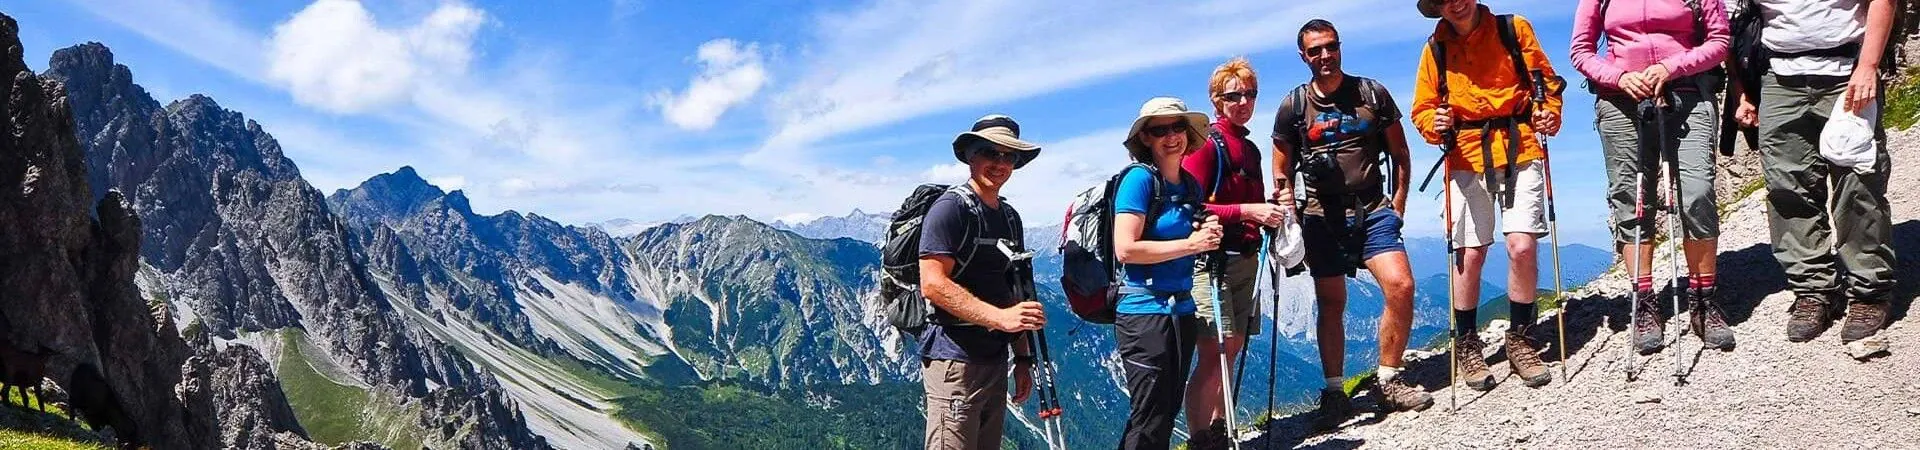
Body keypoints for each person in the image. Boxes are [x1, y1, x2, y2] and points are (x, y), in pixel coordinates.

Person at [1271, 19, 1431, 428]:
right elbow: (1281, 162)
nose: (1324, 56)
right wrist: (1284, 198)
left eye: (1330, 47)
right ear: (1303, 56)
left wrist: (1397, 202)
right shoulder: (1294, 106)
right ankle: (1335, 391)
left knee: (1401, 285)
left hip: (1373, 208)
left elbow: (1400, 151)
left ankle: (1389, 378)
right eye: (1315, 51)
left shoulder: (1371, 94)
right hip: (1321, 215)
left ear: (1339, 47)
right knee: (1331, 303)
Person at [1411, 0, 1565, 391]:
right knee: (1470, 251)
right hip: (1464, 151)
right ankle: (1467, 344)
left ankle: (1521, 339)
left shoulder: (1513, 29)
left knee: (1521, 246)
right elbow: (1422, 109)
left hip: (1520, 144)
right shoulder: (1436, 48)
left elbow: (1545, 84)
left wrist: (1549, 114)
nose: (1455, 3)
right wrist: (1435, 123)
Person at [1571, 0, 1736, 353]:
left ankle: (1704, 299)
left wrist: (1671, 67)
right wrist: (1618, 77)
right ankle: (1644, 302)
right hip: (1620, 101)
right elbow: (1581, 52)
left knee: (1697, 192)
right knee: (1630, 198)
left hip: (1687, 93)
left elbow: (1720, 40)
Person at [1731, 0, 1896, 344]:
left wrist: (1869, 64)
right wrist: (1742, 92)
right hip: (1778, 79)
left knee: (1859, 183)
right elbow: (1732, 21)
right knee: (1786, 186)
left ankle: (1869, 291)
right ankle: (1814, 290)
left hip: (1849, 70)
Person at [918, 115, 1046, 450]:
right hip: (954, 360)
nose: (1000, 163)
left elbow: (1013, 291)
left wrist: (1022, 359)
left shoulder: (1009, 217)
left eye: (1010, 156)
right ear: (971, 156)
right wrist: (999, 319)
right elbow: (932, 283)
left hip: (994, 359)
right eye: (991, 152)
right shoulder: (950, 210)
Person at [1181, 57, 1287, 446]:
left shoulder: (1249, 148)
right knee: (1213, 351)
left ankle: (1220, 429)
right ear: (1216, 100)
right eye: (1234, 96)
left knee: (1232, 346)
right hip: (1211, 263)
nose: (1244, 102)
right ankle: (1200, 438)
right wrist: (1247, 211)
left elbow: (1252, 203)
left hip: (1244, 257)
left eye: (1250, 94)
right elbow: (1190, 206)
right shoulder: (1208, 146)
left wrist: (1270, 206)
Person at [1113, 97, 1223, 449]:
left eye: (1177, 127)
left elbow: (1189, 234)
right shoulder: (1138, 180)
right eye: (1160, 130)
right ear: (1145, 138)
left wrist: (1207, 231)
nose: (1171, 136)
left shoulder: (1189, 185)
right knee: (1149, 415)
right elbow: (1125, 249)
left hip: (1181, 309)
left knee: (1164, 410)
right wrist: (1192, 245)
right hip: (1144, 313)